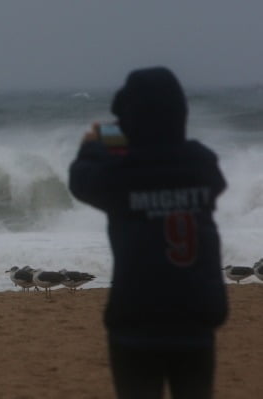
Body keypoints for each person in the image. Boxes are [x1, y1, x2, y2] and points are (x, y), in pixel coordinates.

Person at [68, 67, 228, 399]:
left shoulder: (120, 174)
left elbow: (82, 180)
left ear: (127, 119)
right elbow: (183, 167)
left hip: (137, 322)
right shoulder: (201, 165)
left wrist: (94, 145)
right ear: (181, 113)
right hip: (196, 318)